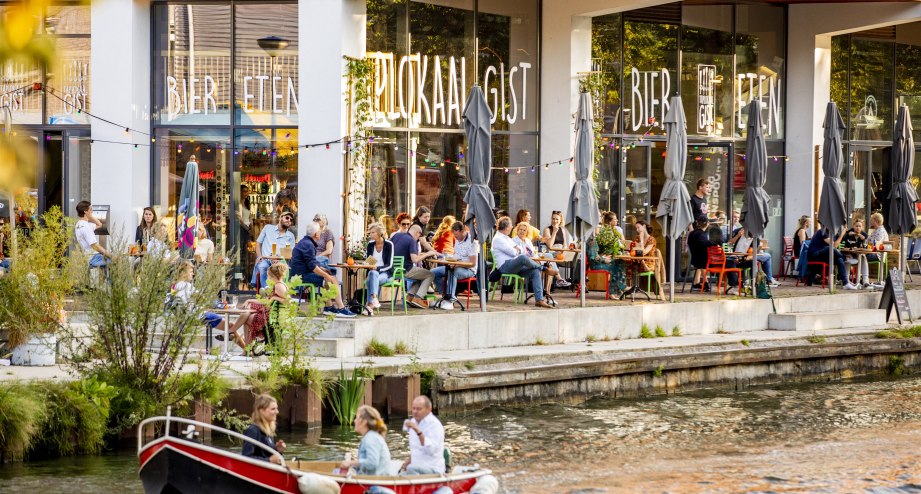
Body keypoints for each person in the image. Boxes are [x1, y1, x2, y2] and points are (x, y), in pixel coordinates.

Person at [173, 261, 253, 353]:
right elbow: (199, 299)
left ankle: (246, 349)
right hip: (199, 316)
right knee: (230, 326)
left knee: (231, 327)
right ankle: (247, 350)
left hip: (194, 315)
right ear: (183, 273)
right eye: (191, 271)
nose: (193, 274)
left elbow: (197, 299)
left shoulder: (178, 285)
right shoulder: (185, 285)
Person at [288, 221, 357, 318]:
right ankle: (341, 308)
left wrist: (323, 270)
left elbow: (310, 263)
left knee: (329, 276)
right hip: (301, 276)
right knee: (331, 279)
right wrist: (326, 275)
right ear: (316, 234)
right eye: (319, 231)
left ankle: (329, 307)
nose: (320, 233)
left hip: (300, 274)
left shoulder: (304, 242)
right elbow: (312, 266)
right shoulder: (308, 245)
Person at [492, 216, 557, 309]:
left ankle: (539, 300)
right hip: (505, 266)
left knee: (535, 271)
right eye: (510, 226)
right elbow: (514, 252)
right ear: (506, 227)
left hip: (515, 266)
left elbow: (519, 250)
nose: (512, 228)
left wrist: (516, 250)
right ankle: (543, 268)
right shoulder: (499, 239)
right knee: (523, 258)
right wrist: (516, 250)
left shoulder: (506, 238)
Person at [432, 221, 478, 310]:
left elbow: (473, 263)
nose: (455, 238)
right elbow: (457, 256)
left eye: (456, 236)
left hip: (469, 270)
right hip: (455, 265)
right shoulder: (457, 239)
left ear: (462, 231)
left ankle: (450, 300)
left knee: (453, 272)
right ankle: (445, 296)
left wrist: (457, 265)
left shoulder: (472, 242)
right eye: (454, 236)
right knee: (433, 272)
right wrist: (448, 257)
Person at [391, 224, 438, 309]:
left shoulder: (396, 236)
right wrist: (428, 253)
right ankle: (418, 298)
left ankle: (410, 296)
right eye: (420, 235)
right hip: (405, 270)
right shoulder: (412, 241)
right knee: (430, 274)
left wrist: (423, 254)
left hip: (393, 269)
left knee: (421, 275)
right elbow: (415, 260)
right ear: (417, 233)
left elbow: (404, 252)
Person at [338, 405, 391, 476]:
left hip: (375, 484)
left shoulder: (371, 438)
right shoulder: (370, 436)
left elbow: (372, 463)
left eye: (356, 418)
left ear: (364, 422)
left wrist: (351, 463)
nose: (354, 421)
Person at [400, 396, 445, 475]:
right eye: (413, 408)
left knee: (411, 468)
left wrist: (418, 431)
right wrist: (407, 462)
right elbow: (417, 449)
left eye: (419, 409)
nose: (415, 412)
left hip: (433, 468)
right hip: (416, 468)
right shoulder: (413, 421)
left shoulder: (434, 425)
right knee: (401, 474)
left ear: (428, 409)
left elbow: (431, 450)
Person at [251, 211, 296, 289]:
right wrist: (259, 256)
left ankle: (280, 291)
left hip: (280, 260)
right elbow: (258, 243)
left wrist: (278, 258)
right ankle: (266, 290)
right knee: (262, 266)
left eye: (291, 220)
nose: (289, 220)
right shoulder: (268, 228)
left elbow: (289, 254)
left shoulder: (290, 236)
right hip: (265, 258)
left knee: (282, 269)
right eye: (287, 218)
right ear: (280, 218)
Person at [806, 222, 856, 289]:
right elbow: (835, 245)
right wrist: (842, 234)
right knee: (830, 248)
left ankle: (845, 283)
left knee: (839, 260)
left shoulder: (832, 234)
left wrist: (847, 234)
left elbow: (836, 245)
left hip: (823, 256)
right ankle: (845, 258)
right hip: (814, 255)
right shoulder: (823, 232)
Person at [586, 220, 627, 297]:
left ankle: (619, 288)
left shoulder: (595, 240)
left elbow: (596, 254)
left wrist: (604, 256)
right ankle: (613, 292)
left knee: (620, 262)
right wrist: (604, 260)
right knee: (614, 267)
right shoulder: (591, 241)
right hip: (596, 265)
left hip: (599, 262)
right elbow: (593, 258)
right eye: (598, 227)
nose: (600, 229)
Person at [242, 394, 286, 465]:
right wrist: (269, 460)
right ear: (262, 411)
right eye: (273, 409)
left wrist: (278, 450)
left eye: (276, 408)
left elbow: (265, 454)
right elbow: (246, 458)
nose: (277, 412)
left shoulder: (268, 431)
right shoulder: (252, 431)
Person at [364, 223, 395, 315]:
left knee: (371, 278)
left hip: (386, 273)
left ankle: (369, 305)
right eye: (370, 233)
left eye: (373, 232)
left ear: (379, 233)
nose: (370, 235)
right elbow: (369, 261)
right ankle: (374, 299)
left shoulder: (389, 244)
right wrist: (370, 265)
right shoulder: (370, 244)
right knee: (372, 274)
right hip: (373, 272)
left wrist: (377, 268)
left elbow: (389, 264)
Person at [75, 201, 109, 268]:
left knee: (110, 264)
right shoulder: (85, 227)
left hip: (88, 256)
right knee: (117, 261)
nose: (92, 211)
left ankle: (107, 278)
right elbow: (94, 245)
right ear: (85, 211)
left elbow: (99, 224)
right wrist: (108, 254)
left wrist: (90, 216)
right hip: (93, 257)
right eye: (90, 209)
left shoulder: (79, 224)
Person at [842, 218, 871, 287]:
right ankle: (846, 280)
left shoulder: (864, 235)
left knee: (863, 257)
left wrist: (864, 240)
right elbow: (842, 245)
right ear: (853, 226)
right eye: (856, 226)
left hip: (859, 255)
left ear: (862, 227)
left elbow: (866, 248)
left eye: (860, 226)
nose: (858, 228)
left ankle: (865, 281)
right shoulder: (848, 233)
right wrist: (847, 236)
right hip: (849, 254)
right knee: (848, 258)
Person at [866, 212, 889, 286]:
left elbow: (876, 246)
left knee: (861, 256)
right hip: (873, 252)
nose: (870, 221)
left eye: (871, 220)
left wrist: (867, 247)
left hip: (878, 254)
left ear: (876, 221)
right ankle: (863, 278)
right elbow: (868, 242)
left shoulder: (880, 231)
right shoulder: (875, 230)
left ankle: (864, 279)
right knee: (860, 256)